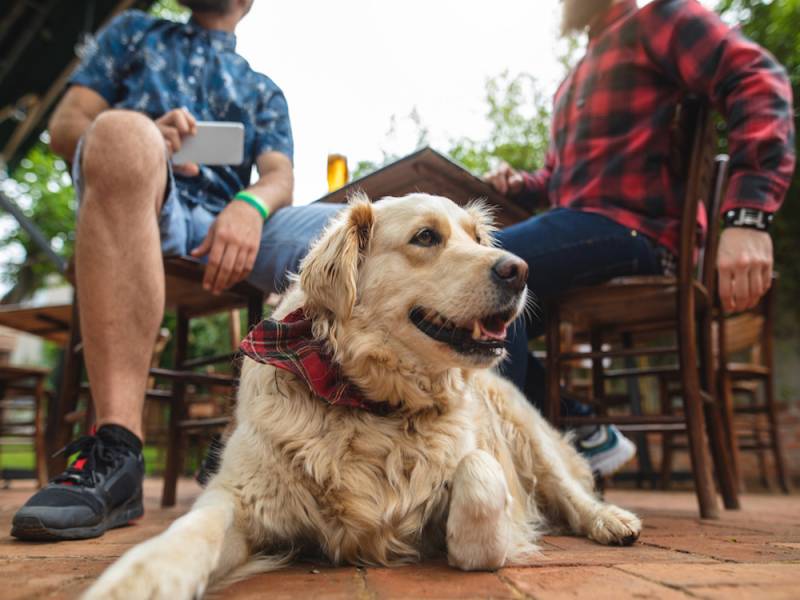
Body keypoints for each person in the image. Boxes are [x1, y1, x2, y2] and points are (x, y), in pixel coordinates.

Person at [11, 0, 342, 541]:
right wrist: (149, 135)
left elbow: (279, 175)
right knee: (120, 133)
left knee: (357, 230)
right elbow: (67, 128)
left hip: (235, 221)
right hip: (144, 198)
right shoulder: (134, 32)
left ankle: (304, 451)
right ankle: (118, 452)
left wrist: (251, 206)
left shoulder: (262, 89)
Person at [485, 0, 795, 476]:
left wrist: (747, 215)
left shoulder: (662, 20)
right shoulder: (572, 82)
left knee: (489, 265)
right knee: (479, 311)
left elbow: (758, 80)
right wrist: (516, 184)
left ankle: (502, 474)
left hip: (641, 234)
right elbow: (555, 181)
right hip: (585, 228)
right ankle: (577, 431)